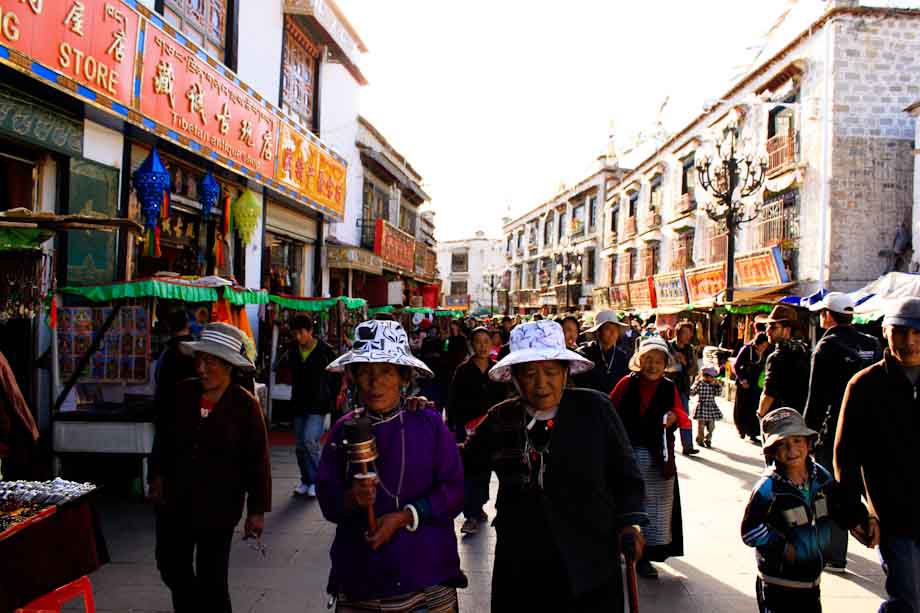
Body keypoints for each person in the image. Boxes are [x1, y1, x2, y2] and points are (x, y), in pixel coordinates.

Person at [463, 320, 646, 611]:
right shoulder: (501, 418)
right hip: (522, 557)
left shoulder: (595, 409)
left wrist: (629, 522)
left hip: (590, 555)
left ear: (565, 372)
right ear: (515, 378)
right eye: (530, 373)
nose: (541, 383)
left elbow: (626, 474)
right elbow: (464, 464)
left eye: (550, 372)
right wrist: (421, 422)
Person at [317, 319, 465, 612]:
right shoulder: (343, 430)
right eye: (365, 372)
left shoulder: (428, 422)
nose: (375, 383)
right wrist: (352, 498)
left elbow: (455, 492)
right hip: (363, 577)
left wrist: (404, 516)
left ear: (403, 377)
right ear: (354, 377)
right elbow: (328, 501)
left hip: (427, 575)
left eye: (386, 371)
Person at [148, 323, 271, 613]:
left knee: (213, 579)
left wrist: (256, 511)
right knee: (170, 565)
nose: (202, 368)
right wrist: (156, 475)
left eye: (212, 362)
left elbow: (258, 461)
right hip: (175, 501)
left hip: (219, 506)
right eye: (200, 359)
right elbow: (163, 439)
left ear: (229, 365)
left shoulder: (245, 406)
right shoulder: (182, 393)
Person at [835, 297, 920, 612]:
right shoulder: (866, 385)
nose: (909, 341)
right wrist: (854, 511)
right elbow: (846, 453)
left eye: (917, 332)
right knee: (909, 600)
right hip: (893, 515)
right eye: (900, 331)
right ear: (886, 333)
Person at [742, 408, 868, 613]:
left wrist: (858, 521)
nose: (791, 451)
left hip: (811, 582)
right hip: (777, 585)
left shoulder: (822, 478)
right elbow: (750, 531)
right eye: (782, 445)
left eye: (797, 441)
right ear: (772, 452)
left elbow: (839, 505)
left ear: (809, 443)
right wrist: (782, 547)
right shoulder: (768, 489)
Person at [802, 292, 882, 572]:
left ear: (827, 315)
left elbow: (816, 398)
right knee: (871, 489)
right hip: (874, 431)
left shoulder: (827, 347)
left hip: (836, 431)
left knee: (832, 489)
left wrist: (807, 435)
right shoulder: (873, 344)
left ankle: (835, 553)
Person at [610, 336, 690, 578]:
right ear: (639, 361)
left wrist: (674, 417)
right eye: (648, 360)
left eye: (658, 361)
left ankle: (645, 557)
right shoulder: (626, 383)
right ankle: (619, 549)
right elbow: (609, 409)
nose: (652, 366)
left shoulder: (669, 387)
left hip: (658, 456)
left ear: (665, 364)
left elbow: (681, 415)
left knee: (655, 509)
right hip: (627, 452)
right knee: (626, 504)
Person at [447, 326, 506, 535]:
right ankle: (471, 513)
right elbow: (453, 399)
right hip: (469, 428)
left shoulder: (497, 369)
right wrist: (453, 427)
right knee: (471, 470)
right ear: (472, 345)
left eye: (486, 341)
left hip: (493, 428)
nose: (482, 346)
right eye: (478, 341)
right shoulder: (463, 370)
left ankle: (481, 506)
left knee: (489, 469)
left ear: (491, 343)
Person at [281, 315, 338, 497]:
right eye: (294, 333)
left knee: (309, 441)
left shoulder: (325, 350)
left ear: (310, 331)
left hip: (318, 404)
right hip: (299, 402)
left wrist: (331, 395)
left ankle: (316, 481)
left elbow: (336, 374)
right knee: (299, 446)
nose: (297, 337)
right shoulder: (292, 350)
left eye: (300, 333)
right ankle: (305, 480)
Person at [759, 304, 811, 417]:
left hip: (780, 419)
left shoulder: (777, 357)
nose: (767, 331)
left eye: (773, 327)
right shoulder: (805, 351)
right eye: (767, 326)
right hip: (802, 417)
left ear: (787, 330)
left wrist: (761, 414)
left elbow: (769, 393)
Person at [575, 310, 630, 394]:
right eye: (608, 328)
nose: (613, 332)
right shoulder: (584, 354)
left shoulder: (622, 356)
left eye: (615, 328)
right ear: (598, 332)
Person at [154, 310, 197, 412]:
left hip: (169, 410)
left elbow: (158, 379)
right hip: (191, 410)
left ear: (169, 327)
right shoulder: (197, 351)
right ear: (187, 325)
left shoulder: (168, 351)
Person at [669, 320, 701, 456]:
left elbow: (694, 370)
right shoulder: (669, 346)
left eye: (690, 333)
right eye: (685, 333)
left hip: (682, 388)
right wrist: (674, 361)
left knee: (684, 416)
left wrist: (685, 362)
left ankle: (687, 446)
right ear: (678, 333)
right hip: (668, 387)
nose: (688, 336)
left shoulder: (690, 349)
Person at [733, 332, 770, 444]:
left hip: (756, 383)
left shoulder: (766, 351)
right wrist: (742, 379)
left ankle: (753, 433)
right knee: (742, 406)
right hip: (745, 382)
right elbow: (736, 365)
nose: (764, 347)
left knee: (754, 406)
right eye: (763, 345)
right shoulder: (747, 349)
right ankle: (741, 429)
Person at [690, 365, 723, 449]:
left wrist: (718, 386)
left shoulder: (714, 384)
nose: (711, 378)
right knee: (701, 426)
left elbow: (718, 393)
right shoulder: (699, 383)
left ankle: (708, 439)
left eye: (712, 377)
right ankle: (700, 439)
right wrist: (694, 384)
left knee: (711, 426)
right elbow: (692, 392)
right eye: (709, 376)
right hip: (702, 406)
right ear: (704, 375)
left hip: (711, 407)